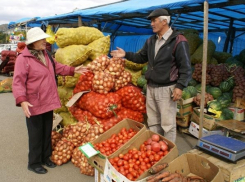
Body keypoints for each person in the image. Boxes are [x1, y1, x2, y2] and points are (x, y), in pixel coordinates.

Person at [12, 27, 89, 174]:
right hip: (33, 103)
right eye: (41, 39)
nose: (45, 41)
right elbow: (18, 82)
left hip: (48, 100)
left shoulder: (45, 54)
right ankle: (34, 162)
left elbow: (58, 67)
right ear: (33, 42)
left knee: (47, 131)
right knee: (36, 134)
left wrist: (73, 70)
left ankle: (46, 158)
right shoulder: (23, 59)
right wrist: (22, 100)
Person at [110, 9, 191, 143]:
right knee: (153, 122)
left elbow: (186, 67)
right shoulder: (151, 40)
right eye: (151, 21)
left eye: (154, 20)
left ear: (164, 21)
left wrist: (180, 86)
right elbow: (141, 57)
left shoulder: (178, 40)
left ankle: (169, 152)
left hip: (167, 89)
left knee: (167, 124)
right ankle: (156, 150)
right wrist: (126, 55)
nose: (151, 24)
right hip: (151, 87)